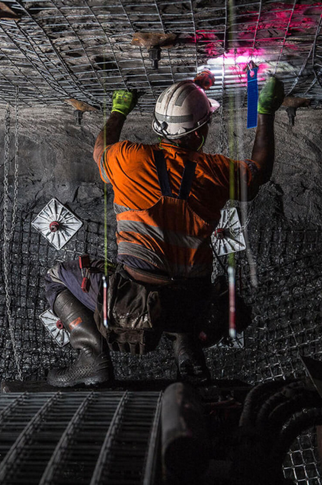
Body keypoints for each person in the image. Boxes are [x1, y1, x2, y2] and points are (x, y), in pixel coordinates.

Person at [44, 76, 285, 387]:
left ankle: (92, 358)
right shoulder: (216, 171)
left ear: (159, 126)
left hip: (130, 302)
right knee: (181, 288)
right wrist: (265, 112)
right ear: (201, 133)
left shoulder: (126, 158)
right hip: (193, 310)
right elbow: (259, 170)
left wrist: (119, 111)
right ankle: (190, 358)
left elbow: (101, 148)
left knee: (56, 278)